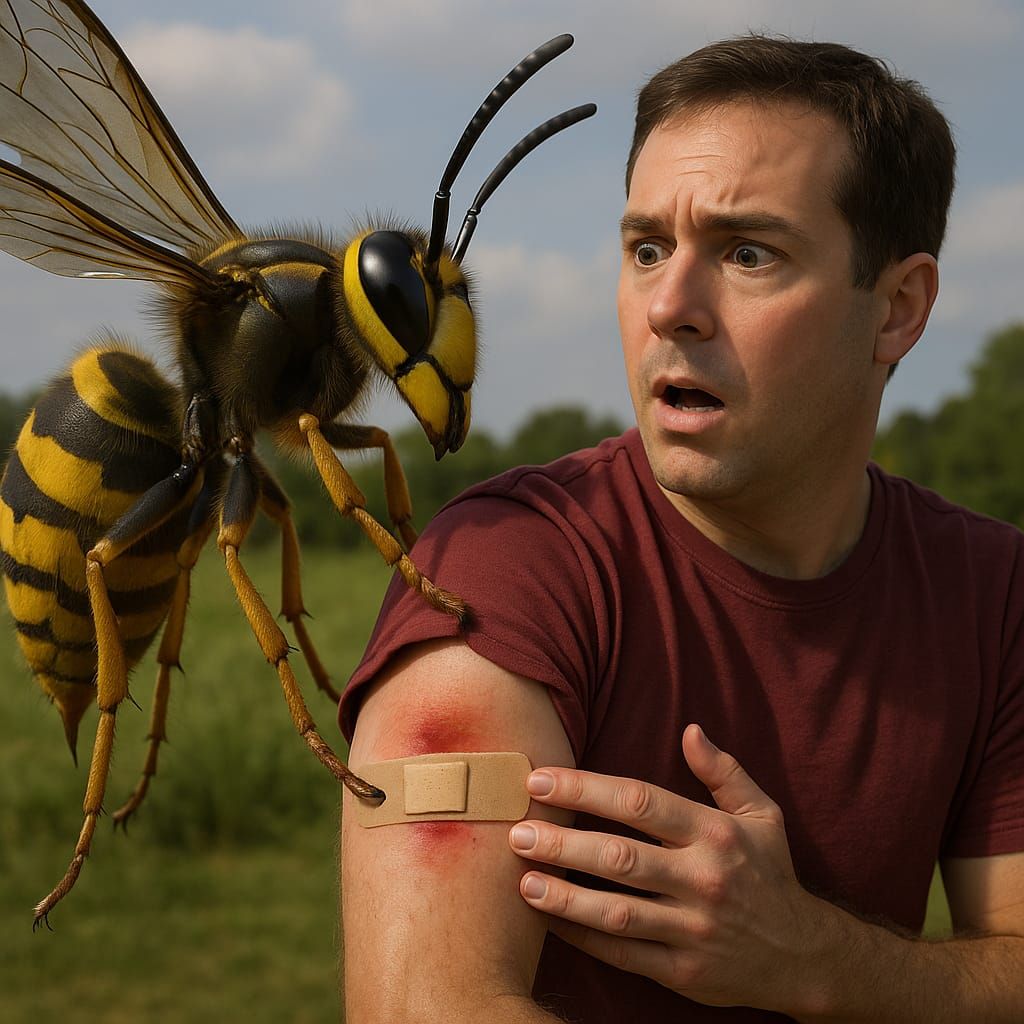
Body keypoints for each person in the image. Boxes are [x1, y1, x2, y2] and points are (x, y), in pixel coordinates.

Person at [338, 35, 1024, 1023]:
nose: (668, 307)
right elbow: (423, 1010)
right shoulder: (501, 567)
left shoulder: (991, 592)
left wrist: (816, 958)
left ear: (898, 307)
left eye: (748, 252)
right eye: (647, 247)